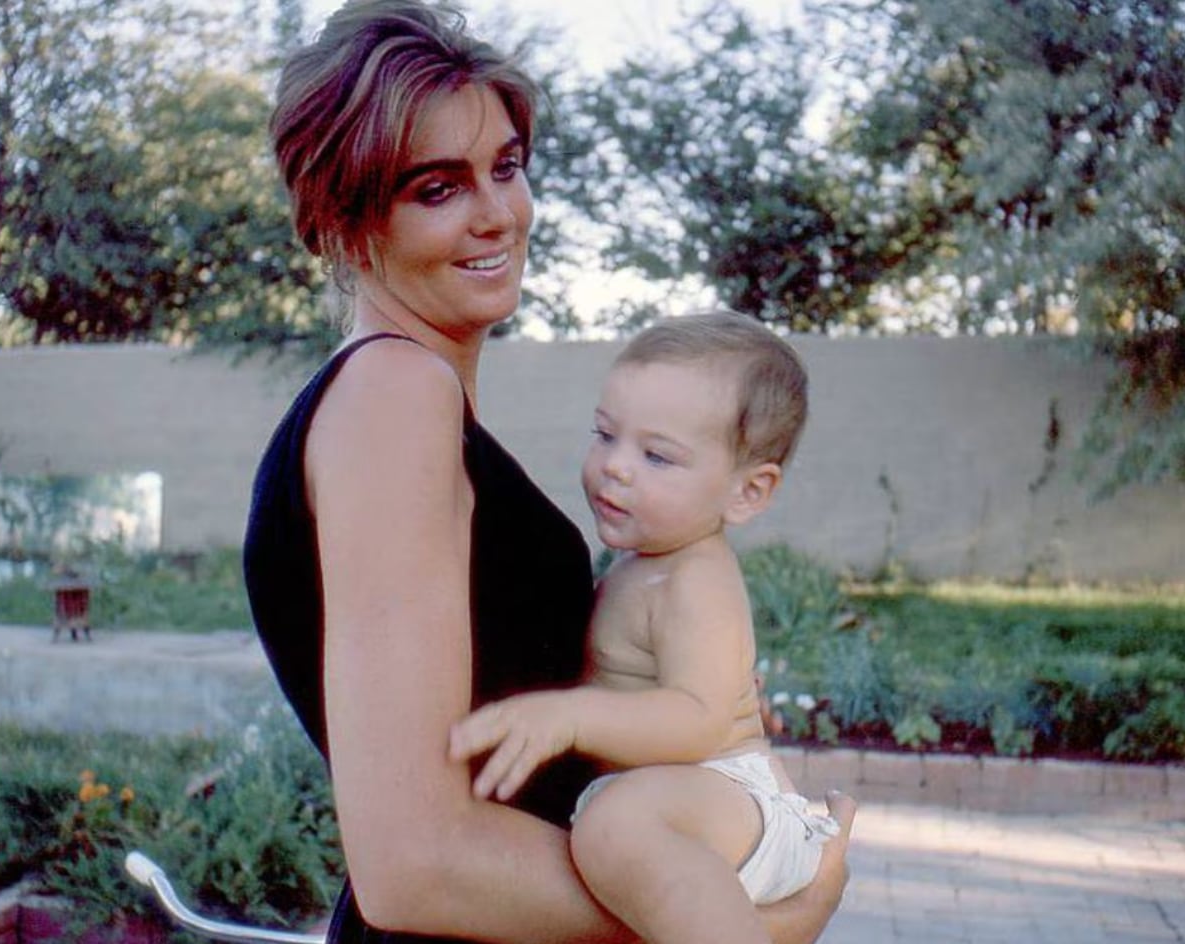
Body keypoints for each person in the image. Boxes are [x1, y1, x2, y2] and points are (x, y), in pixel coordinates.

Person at [242, 2, 856, 942]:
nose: (499, 214)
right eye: (437, 188)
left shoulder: (412, 400)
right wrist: (737, 923)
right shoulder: (395, 398)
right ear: (344, 214)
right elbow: (414, 865)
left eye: (507, 167)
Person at [449, 310, 836, 944]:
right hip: (686, 804)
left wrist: (568, 718)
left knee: (612, 827)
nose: (617, 467)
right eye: (605, 435)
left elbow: (698, 720)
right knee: (610, 825)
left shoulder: (696, 579)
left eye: (657, 456)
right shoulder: (643, 564)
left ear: (747, 492)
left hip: (734, 798)